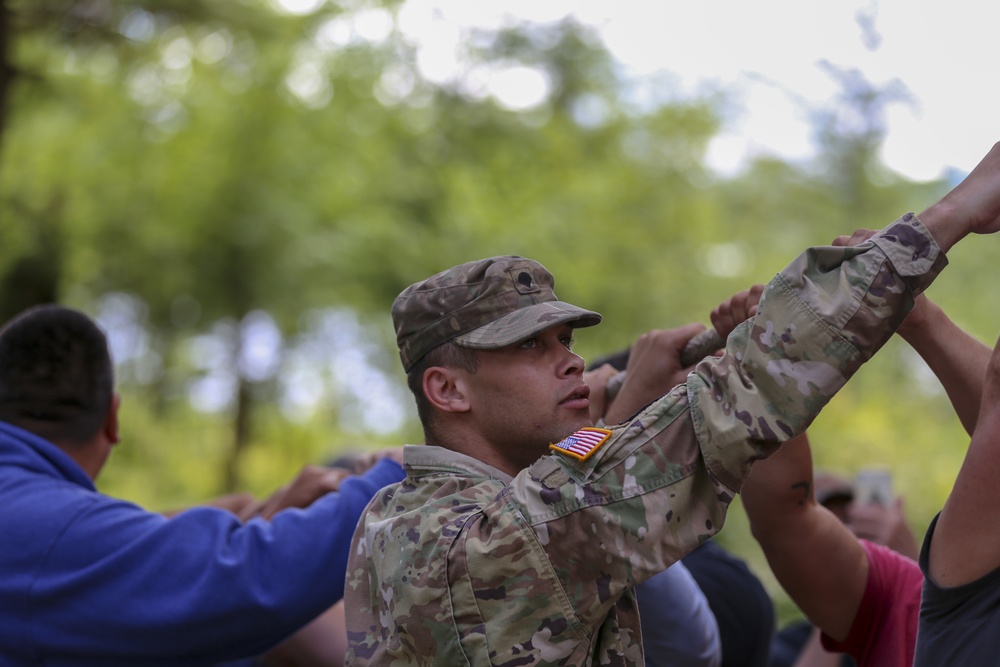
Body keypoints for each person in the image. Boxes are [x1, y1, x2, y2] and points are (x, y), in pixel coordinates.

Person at [344, 141, 1000, 667]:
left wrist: (623, 415)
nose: (570, 359)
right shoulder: (470, 546)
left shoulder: (408, 514)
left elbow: (564, 480)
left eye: (566, 339)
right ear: (447, 389)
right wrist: (954, 214)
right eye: (528, 347)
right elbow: (731, 401)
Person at [0, 304, 406, 666]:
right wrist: (389, 478)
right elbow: (244, 585)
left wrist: (256, 519)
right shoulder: (42, 531)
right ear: (112, 417)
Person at [741, 281, 990, 667]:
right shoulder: (898, 598)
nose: (843, 523)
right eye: (833, 513)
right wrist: (759, 355)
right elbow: (784, 516)